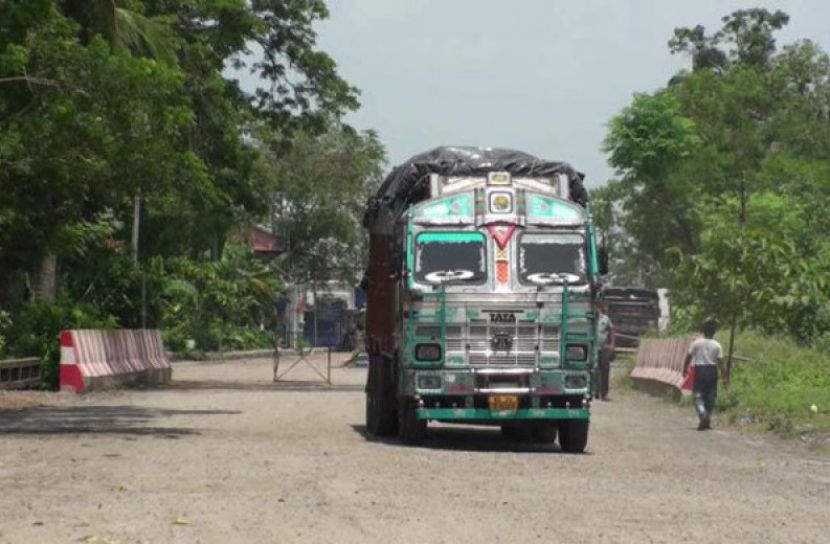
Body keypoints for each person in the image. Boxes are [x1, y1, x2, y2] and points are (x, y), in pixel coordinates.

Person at [682, 321, 724, 430]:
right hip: (712, 371)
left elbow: (688, 356)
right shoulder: (717, 345)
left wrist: (685, 369)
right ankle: (707, 419)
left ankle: (702, 414)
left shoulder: (697, 343)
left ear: (704, 332)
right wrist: (725, 377)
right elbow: (721, 362)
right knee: (710, 396)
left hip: (700, 371)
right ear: (714, 332)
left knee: (698, 395)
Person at [595, 301, 615, 401]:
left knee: (605, 369)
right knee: (594, 370)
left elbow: (612, 330)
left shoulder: (605, 319)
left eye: (597, 307)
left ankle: (604, 393)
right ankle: (595, 392)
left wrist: (612, 344)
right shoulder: (589, 318)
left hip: (603, 348)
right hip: (592, 349)